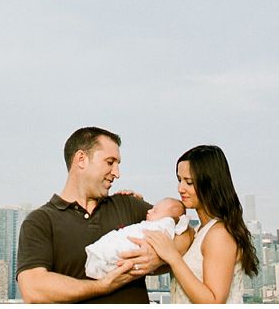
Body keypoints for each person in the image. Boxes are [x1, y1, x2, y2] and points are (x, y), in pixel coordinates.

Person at [16, 126, 194, 303]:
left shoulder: (128, 205)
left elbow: (187, 233)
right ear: (81, 159)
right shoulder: (40, 221)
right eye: (110, 162)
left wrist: (155, 258)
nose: (117, 173)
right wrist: (102, 286)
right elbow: (33, 288)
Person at [141, 145, 259, 303]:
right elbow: (152, 266)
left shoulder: (219, 234)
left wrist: (173, 257)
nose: (180, 188)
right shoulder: (197, 232)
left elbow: (214, 301)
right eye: (179, 180)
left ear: (209, 183)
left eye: (189, 182)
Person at [84, 197, 189, 279]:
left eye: (155, 211)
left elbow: (187, 231)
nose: (149, 211)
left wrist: (160, 257)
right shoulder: (156, 215)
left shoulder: (163, 224)